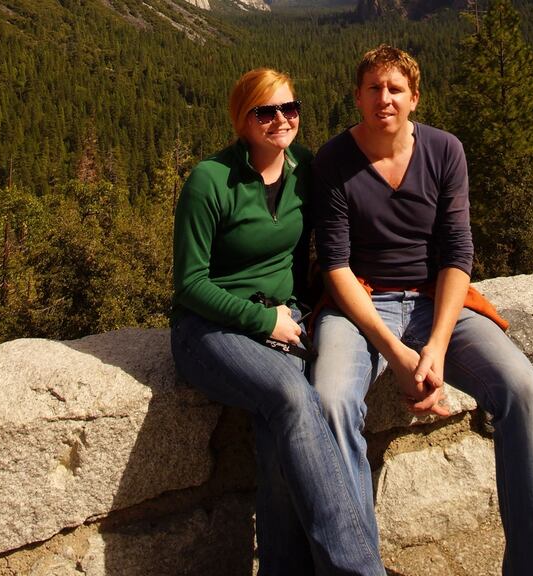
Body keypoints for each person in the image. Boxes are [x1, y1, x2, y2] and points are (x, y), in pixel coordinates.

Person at [310, 46, 533, 575]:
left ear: (414, 97)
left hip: (436, 301)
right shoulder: (334, 159)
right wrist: (397, 355)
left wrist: (436, 348)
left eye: (395, 89)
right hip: (360, 305)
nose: (385, 99)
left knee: (524, 390)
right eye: (374, 89)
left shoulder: (445, 151)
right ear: (357, 96)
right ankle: (359, 569)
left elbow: (457, 254)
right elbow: (334, 266)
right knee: (330, 400)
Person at [169, 68, 386, 575]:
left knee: (276, 439)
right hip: (208, 329)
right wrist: (261, 319)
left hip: (284, 320)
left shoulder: (304, 167)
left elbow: (353, 203)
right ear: (241, 120)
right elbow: (190, 283)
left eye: (290, 109)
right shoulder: (209, 180)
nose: (281, 120)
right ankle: (359, 568)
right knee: (292, 398)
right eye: (264, 112)